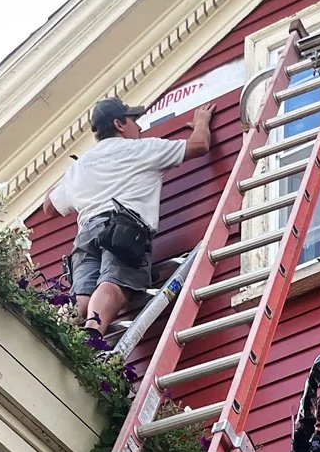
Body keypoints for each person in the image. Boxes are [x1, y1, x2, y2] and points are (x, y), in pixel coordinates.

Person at [45, 95, 213, 334]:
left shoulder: (80, 166)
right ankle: (93, 333)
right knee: (112, 285)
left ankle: (55, 333)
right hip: (122, 228)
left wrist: (70, 177)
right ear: (119, 124)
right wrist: (201, 122)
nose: (140, 126)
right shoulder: (141, 149)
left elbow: (49, 207)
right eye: (134, 120)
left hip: (86, 234)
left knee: (82, 297)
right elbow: (198, 146)